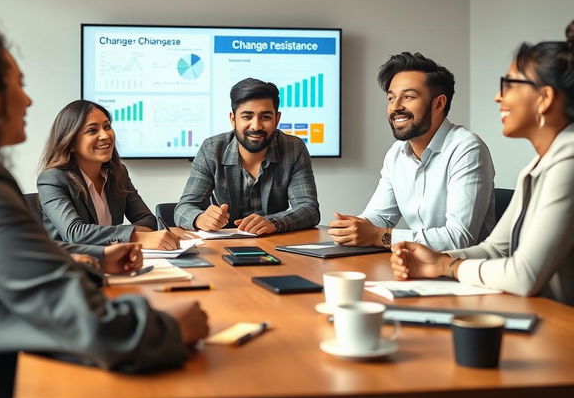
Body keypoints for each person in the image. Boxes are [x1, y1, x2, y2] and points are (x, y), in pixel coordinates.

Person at [0, 20, 209, 398]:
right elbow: (77, 315)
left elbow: (4, 273)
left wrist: (98, 259)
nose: (27, 99)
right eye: (17, 85)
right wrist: (170, 328)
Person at [390, 23, 574, 398]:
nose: (498, 96)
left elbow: (525, 274)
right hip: (543, 328)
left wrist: (449, 265)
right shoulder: (539, 164)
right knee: (442, 385)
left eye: (509, 84)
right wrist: (434, 261)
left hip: (559, 345)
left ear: (544, 98)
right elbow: (497, 247)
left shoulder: (567, 162)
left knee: (441, 379)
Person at [329, 52, 495, 251]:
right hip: (416, 266)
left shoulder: (467, 150)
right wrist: (352, 228)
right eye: (391, 98)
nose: (395, 107)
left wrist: (379, 236)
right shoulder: (397, 153)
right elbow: (380, 217)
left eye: (408, 97)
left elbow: (458, 238)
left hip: (460, 272)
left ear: (439, 104)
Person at [174, 78, 319, 234]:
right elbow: (183, 208)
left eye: (265, 117)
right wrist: (199, 218)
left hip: (274, 243)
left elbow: (309, 209)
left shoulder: (294, 148)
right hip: (222, 245)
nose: (256, 126)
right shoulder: (212, 149)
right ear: (233, 119)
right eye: (247, 117)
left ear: (277, 119)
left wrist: (274, 222)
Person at [38, 100, 180, 250]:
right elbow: (75, 234)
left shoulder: (118, 173)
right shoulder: (52, 179)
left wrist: (118, 237)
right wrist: (135, 236)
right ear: (71, 142)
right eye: (92, 130)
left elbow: (148, 220)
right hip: (73, 266)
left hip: (115, 261)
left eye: (107, 127)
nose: (105, 135)